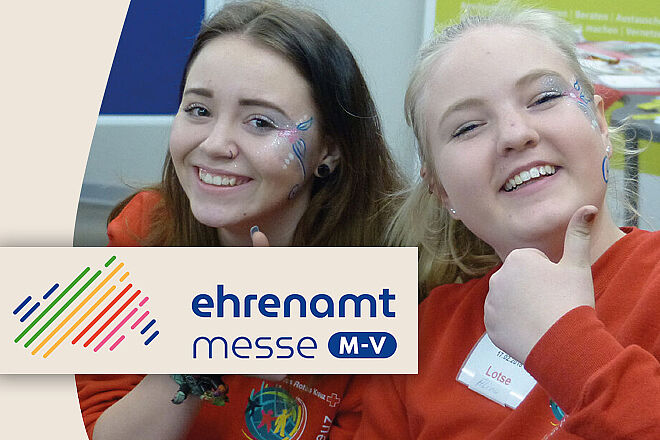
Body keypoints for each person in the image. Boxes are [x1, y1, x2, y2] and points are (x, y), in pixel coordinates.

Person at [76, 1, 403, 439]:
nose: (215, 144)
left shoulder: (393, 274)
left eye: (261, 122)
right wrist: (205, 340)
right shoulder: (147, 227)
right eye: (199, 110)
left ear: (329, 149)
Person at [356, 2, 660, 438]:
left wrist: (567, 344)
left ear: (598, 122)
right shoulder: (419, 338)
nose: (516, 135)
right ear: (440, 189)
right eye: (467, 127)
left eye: (545, 98)